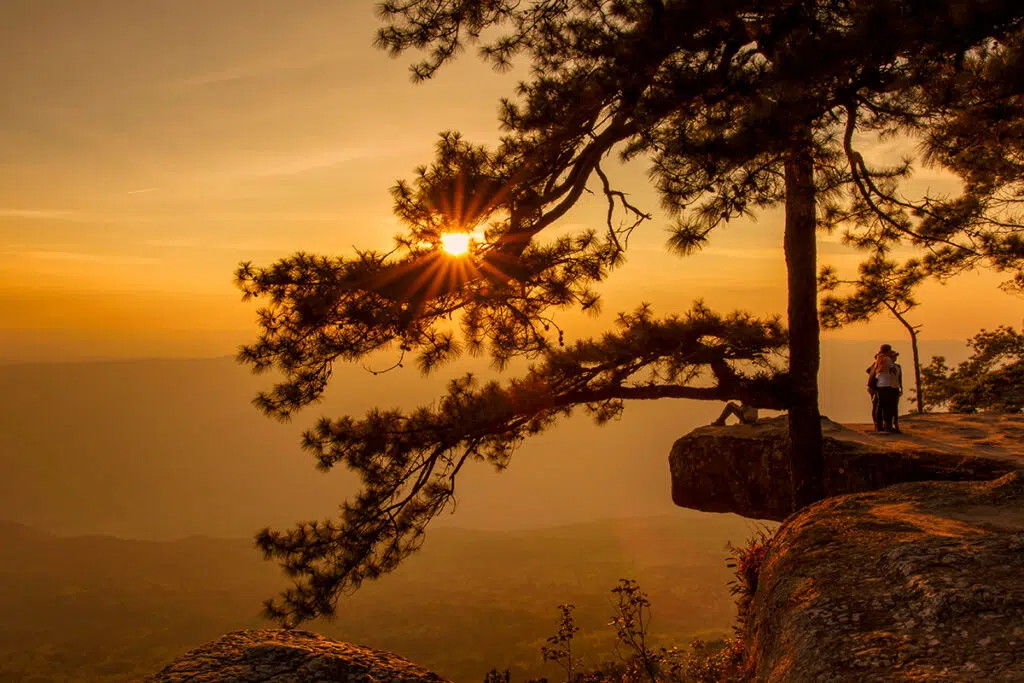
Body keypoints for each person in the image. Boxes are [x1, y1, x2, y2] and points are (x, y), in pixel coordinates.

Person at [870, 344, 902, 433]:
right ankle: (888, 426)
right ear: (888, 351)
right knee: (888, 407)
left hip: (880, 385)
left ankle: (879, 426)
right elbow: (893, 370)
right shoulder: (887, 359)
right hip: (887, 386)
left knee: (880, 406)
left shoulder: (878, 359)